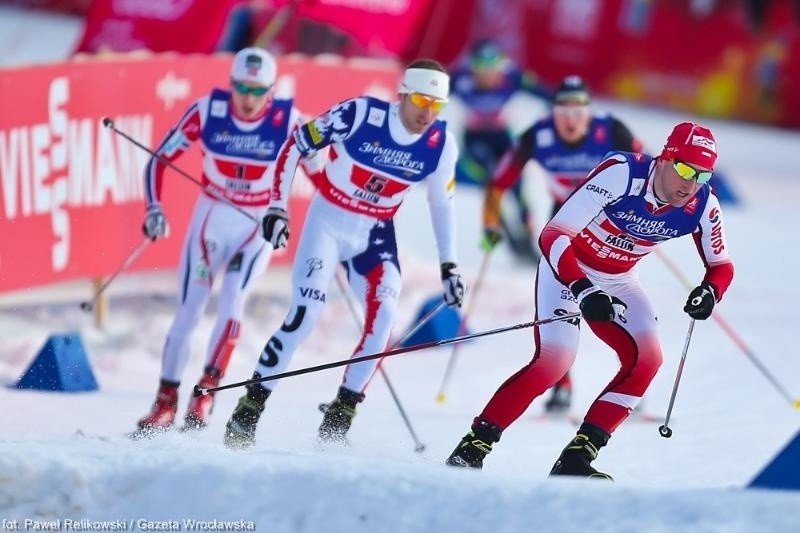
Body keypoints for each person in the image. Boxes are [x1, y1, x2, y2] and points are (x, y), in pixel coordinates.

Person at [446, 121, 734, 478]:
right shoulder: (622, 175)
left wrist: (710, 291)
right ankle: (475, 444)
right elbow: (553, 236)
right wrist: (584, 290)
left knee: (648, 360)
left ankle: (577, 458)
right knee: (555, 361)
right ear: (665, 158)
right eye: (685, 169)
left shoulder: (703, 205)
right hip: (568, 268)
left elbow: (721, 266)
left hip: (619, 279)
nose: (690, 184)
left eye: (702, 176)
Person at [222, 58, 466, 449]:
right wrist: (276, 207)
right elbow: (295, 146)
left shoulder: (441, 143)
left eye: (437, 105)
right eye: (421, 100)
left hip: (375, 236)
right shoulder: (360, 114)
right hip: (329, 226)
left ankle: (339, 419)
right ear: (403, 93)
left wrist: (449, 265)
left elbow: (443, 205)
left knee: (384, 320)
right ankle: (248, 410)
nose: (427, 112)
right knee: (304, 318)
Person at [136, 47, 321, 433]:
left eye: (257, 91)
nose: (248, 99)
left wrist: (336, 226)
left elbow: (322, 178)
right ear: (230, 84)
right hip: (211, 218)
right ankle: (165, 400)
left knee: (233, 300)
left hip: (256, 224)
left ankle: (205, 394)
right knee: (189, 308)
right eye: (241, 88)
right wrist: (154, 208)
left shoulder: (289, 120)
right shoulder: (208, 110)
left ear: (271, 90)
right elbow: (158, 159)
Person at [482, 75, 643, 413]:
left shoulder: (612, 131)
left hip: (612, 223)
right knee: (563, 300)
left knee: (618, 297)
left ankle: (629, 378)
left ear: (589, 112)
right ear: (552, 113)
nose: (570, 118)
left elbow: (652, 173)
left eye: (578, 109)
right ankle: (563, 386)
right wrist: (490, 224)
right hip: (566, 220)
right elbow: (498, 182)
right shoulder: (536, 136)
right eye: (563, 109)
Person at [449, 39, 552, 260]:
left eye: (492, 68)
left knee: (518, 187)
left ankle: (527, 237)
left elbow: (547, 95)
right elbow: (431, 92)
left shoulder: (512, 78)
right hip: (474, 140)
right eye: (481, 68)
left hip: (503, 138)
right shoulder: (460, 80)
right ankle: (499, 232)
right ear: (472, 66)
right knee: (492, 182)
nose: (487, 74)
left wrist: (555, 113)